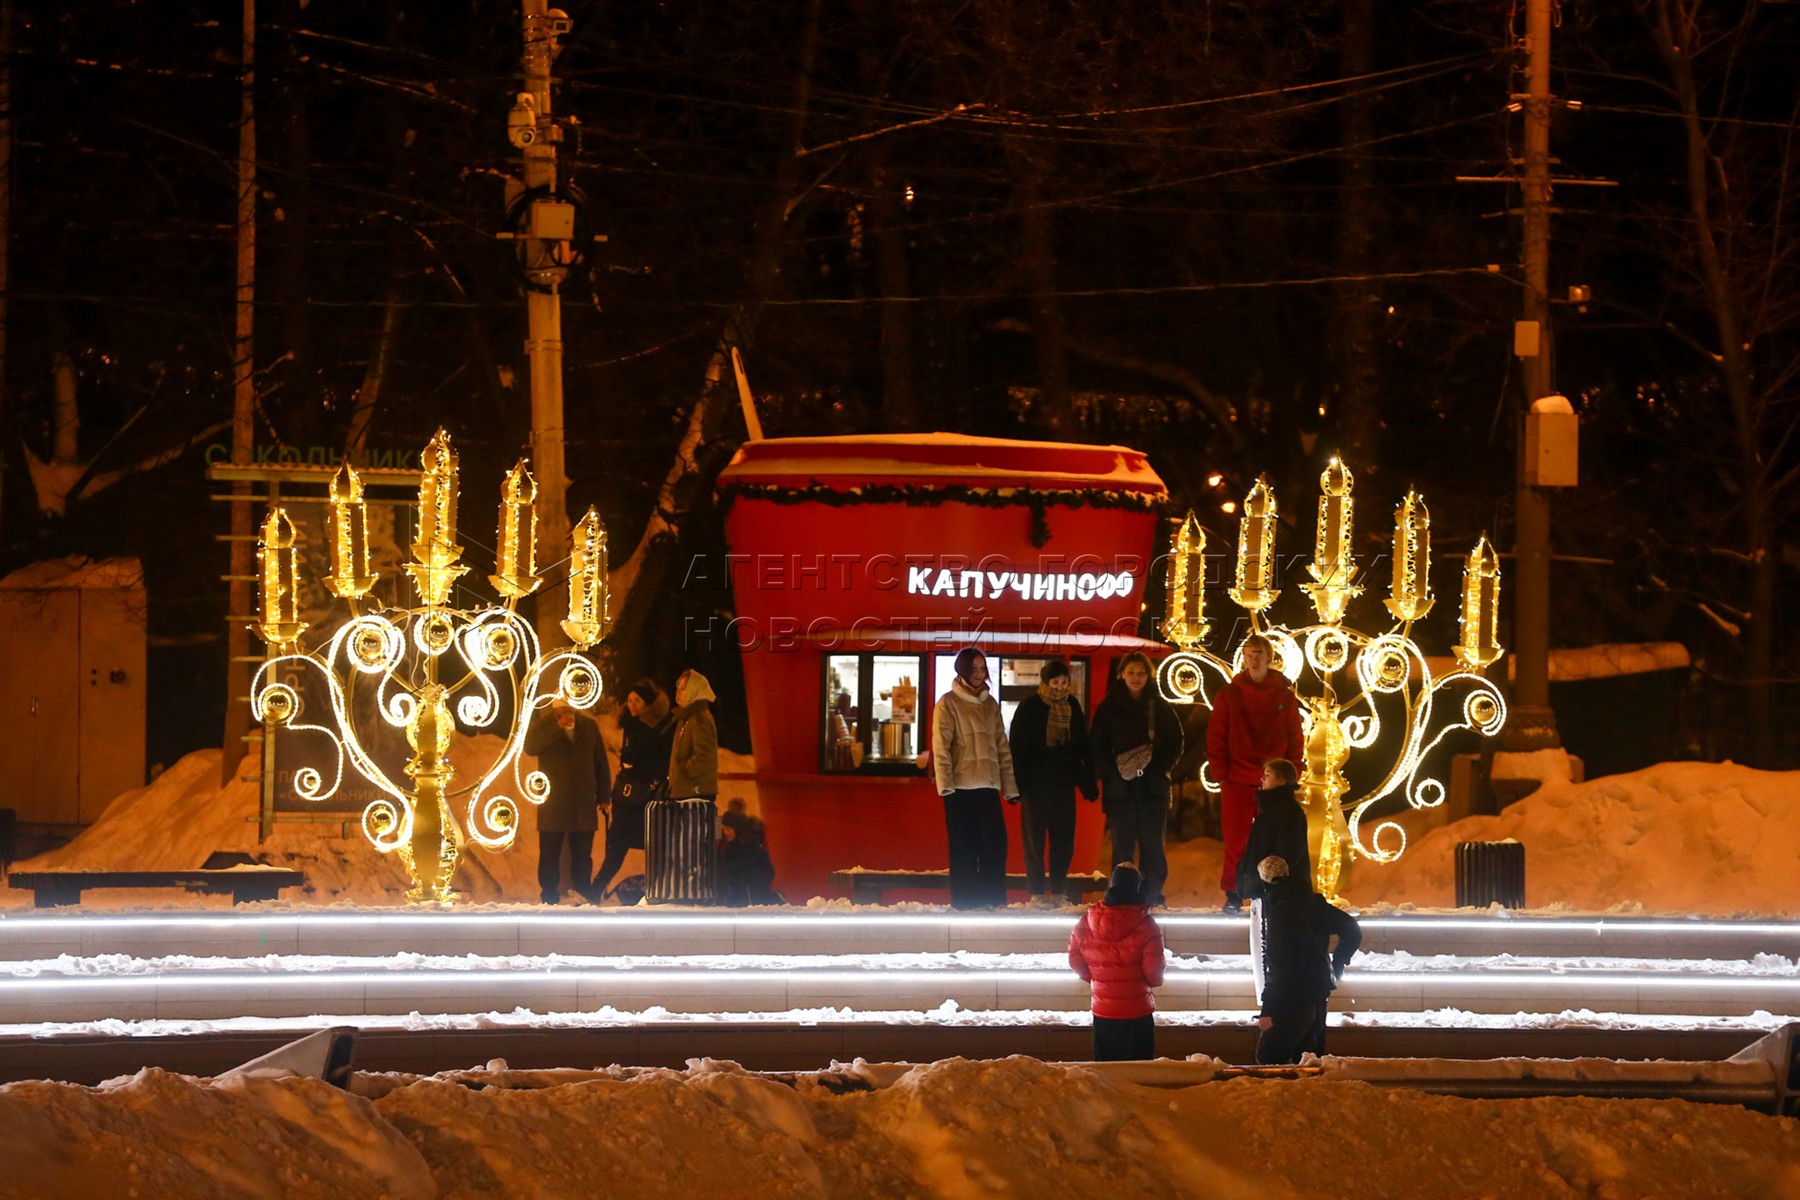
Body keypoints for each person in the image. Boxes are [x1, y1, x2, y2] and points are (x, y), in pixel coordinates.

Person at [1207, 634, 1305, 911]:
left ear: (1269, 657)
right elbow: (1217, 735)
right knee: (1236, 840)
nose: (1255, 658)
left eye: (1259, 652)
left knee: (1276, 839)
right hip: (1237, 779)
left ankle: (1272, 889)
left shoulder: (1285, 697)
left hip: (1275, 782)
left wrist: (1291, 772)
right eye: (1250, 653)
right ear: (1244, 658)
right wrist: (1221, 772)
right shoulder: (1229, 695)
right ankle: (1234, 893)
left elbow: (1295, 736)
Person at [1089, 651, 1183, 907]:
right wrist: (1114, 772)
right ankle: (1122, 897)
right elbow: (1097, 746)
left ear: (1148, 676)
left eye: (1141, 673)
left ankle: (1153, 897)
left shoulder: (1160, 706)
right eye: (1130, 672)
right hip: (1120, 790)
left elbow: (1176, 742)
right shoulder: (1108, 708)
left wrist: (1160, 769)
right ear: (1121, 674)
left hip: (1153, 789)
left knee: (1153, 848)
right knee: (1122, 848)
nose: (1136, 677)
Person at [931, 647, 1020, 909]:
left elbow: (1002, 747)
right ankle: (965, 902)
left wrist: (1010, 788)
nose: (980, 673)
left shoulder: (990, 704)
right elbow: (941, 748)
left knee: (995, 845)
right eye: (974, 668)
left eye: (983, 668)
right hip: (960, 788)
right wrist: (945, 786)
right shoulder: (947, 703)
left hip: (988, 786)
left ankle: (992, 900)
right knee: (964, 848)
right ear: (962, 670)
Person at [1254, 855, 1362, 1065]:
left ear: (1266, 881)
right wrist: (1337, 963)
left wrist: (1269, 1007)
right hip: (1317, 993)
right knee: (1309, 1060)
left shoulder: (1280, 911)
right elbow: (1352, 930)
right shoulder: (1314, 903)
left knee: (1269, 1058)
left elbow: (1278, 964)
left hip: (1291, 998)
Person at [1008, 659, 1099, 906]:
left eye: (1064, 682)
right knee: (1034, 841)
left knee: (1063, 840)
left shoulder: (1072, 706)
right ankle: (1037, 890)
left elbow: (1082, 747)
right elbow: (1017, 748)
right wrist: (1016, 786)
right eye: (1055, 682)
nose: (1060, 687)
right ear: (1045, 682)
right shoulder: (1030, 707)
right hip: (1035, 786)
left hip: (1063, 783)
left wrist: (1087, 782)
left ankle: (1058, 888)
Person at [1068, 863, 1167, 1061]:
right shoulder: (1146, 924)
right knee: (1139, 1073)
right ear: (1137, 888)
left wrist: (1099, 979)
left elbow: (1074, 959)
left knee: (1107, 1073)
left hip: (1103, 1010)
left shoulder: (1086, 921)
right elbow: (1154, 974)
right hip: (1137, 1010)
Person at [523, 695, 611, 905]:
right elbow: (531, 747)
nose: (567, 713)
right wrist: (556, 728)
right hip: (553, 800)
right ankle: (549, 894)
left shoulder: (588, 726)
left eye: (570, 708)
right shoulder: (542, 726)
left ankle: (582, 891)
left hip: (583, 798)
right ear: (555, 710)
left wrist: (604, 795)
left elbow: (600, 761)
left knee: (582, 852)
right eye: (562, 710)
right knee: (550, 850)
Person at [594, 678, 672, 901]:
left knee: (648, 844)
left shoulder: (655, 728)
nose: (632, 704)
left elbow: (657, 761)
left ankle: (656, 891)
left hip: (645, 798)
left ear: (648, 703)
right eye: (629, 700)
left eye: (637, 700)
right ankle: (596, 888)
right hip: (627, 796)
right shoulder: (631, 725)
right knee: (618, 843)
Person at [649, 668, 720, 902]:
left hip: (695, 793)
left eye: (682, 687)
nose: (678, 692)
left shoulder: (699, 718)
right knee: (685, 846)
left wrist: (683, 773)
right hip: (685, 791)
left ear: (694, 690)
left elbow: (704, 755)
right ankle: (686, 890)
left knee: (690, 847)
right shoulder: (686, 717)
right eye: (678, 687)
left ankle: (692, 892)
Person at [719, 798, 780, 906]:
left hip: (751, 899)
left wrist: (748, 883)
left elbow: (767, 872)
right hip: (739, 897)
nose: (725, 832)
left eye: (728, 829)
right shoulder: (731, 846)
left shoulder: (751, 848)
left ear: (737, 829)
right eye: (723, 828)